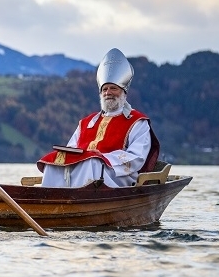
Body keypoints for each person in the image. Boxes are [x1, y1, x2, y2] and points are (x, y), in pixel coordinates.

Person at [37, 48, 160, 188]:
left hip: (117, 176)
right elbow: (71, 148)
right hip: (87, 167)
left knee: (92, 161)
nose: (108, 93)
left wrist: (103, 157)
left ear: (124, 92)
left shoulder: (137, 121)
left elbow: (137, 157)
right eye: (105, 89)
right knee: (54, 160)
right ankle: (47, 199)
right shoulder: (86, 122)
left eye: (113, 88)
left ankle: (81, 198)